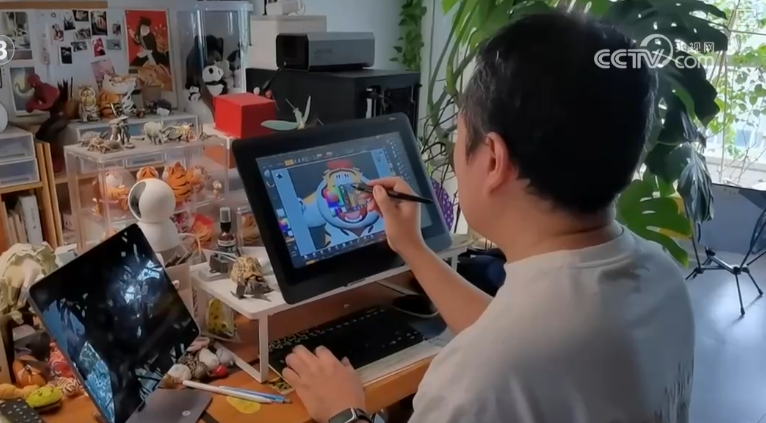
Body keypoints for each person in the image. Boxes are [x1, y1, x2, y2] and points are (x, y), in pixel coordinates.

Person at [280, 11, 695, 423]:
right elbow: (514, 333)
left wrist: (344, 412)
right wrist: (412, 246)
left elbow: (506, 351)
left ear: (493, 159)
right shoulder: (662, 280)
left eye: (460, 137)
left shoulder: (477, 381)